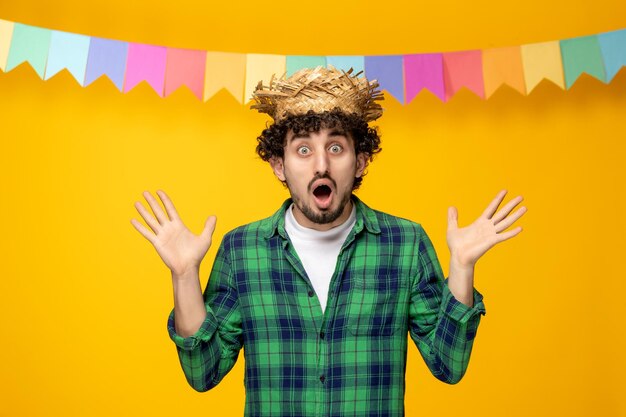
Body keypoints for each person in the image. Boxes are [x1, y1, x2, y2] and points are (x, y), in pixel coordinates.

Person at [131, 66, 526, 417]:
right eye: (303, 149)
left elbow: (448, 365)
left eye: (335, 148)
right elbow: (203, 372)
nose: (321, 164)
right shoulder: (241, 251)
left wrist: (462, 268)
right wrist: (184, 276)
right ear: (279, 166)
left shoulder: (405, 245)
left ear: (360, 160)